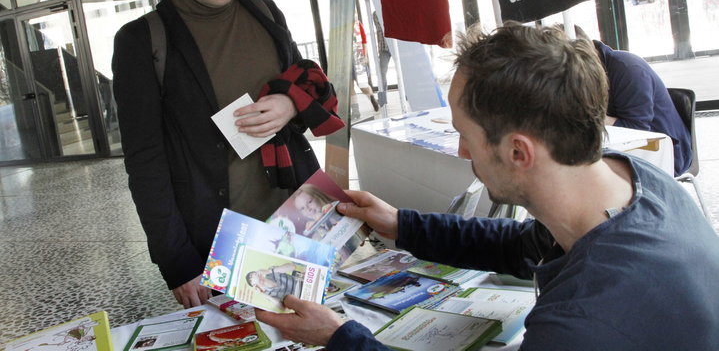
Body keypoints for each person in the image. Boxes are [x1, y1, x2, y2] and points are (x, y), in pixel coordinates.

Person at [255, 23, 719, 350]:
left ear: (519, 152)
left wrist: (340, 338)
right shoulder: (633, 181)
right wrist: (400, 224)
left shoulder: (580, 319)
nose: (460, 152)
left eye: (466, 135)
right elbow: (524, 244)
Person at [112, 0, 340, 309]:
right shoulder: (143, 41)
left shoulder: (263, 12)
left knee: (313, 329)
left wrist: (289, 106)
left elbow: (302, 83)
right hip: (220, 237)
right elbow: (145, 162)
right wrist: (178, 262)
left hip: (297, 218)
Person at [573, 26, 692, 176]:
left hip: (665, 154)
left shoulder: (628, 69)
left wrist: (585, 113)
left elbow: (637, 130)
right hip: (619, 149)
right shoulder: (585, 73)